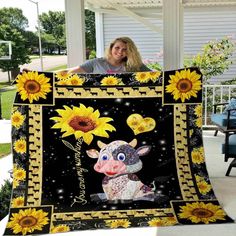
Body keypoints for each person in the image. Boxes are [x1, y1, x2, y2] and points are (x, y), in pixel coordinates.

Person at [66, 36, 151, 74]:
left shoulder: (135, 65)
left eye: (125, 49)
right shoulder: (96, 63)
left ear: (130, 52)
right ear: (111, 48)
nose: (120, 51)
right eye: (117, 48)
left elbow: (155, 75)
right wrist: (52, 75)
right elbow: (70, 72)